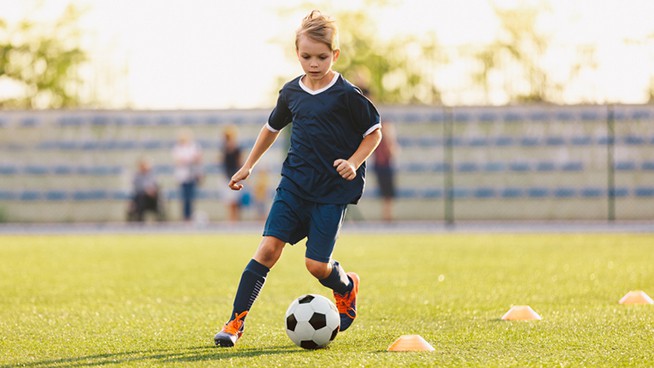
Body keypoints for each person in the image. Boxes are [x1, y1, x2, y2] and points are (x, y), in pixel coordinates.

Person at [213, 10, 382, 347]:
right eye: (306, 56)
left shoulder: (347, 95)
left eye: (322, 56)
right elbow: (271, 128)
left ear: (334, 55)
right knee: (267, 249)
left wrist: (353, 161)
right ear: (297, 54)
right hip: (294, 185)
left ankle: (346, 285)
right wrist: (247, 166)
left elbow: (374, 133)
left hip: (332, 191)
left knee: (316, 266)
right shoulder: (291, 92)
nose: (314, 63)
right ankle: (234, 323)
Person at [172, 129, 202, 222]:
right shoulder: (177, 148)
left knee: (191, 198)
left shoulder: (193, 146)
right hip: (183, 176)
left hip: (192, 175)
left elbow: (198, 158)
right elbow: (178, 160)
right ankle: (185, 217)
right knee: (184, 198)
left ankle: (190, 216)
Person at [373, 121, 398, 222]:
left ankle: (387, 215)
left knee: (387, 194)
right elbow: (392, 152)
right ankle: (387, 216)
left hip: (384, 167)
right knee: (386, 194)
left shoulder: (380, 140)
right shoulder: (381, 140)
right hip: (383, 167)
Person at [127, 157, 165, 222]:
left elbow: (155, 185)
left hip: (151, 198)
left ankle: (159, 216)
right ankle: (140, 218)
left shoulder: (152, 175)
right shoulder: (137, 175)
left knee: (156, 195)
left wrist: (151, 190)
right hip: (141, 197)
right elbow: (137, 187)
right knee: (140, 196)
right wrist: (146, 190)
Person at [220, 125, 243, 222]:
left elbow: (239, 162)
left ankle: (234, 219)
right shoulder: (224, 148)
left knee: (234, 201)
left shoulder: (236, 149)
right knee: (230, 201)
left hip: (234, 175)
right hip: (227, 175)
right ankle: (232, 220)